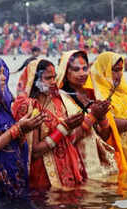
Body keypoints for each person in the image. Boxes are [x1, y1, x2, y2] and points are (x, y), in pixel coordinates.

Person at [12, 58, 87, 191]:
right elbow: (34, 151)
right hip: (44, 176)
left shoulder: (56, 101)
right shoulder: (29, 106)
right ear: (34, 80)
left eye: (54, 77)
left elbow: (69, 139)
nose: (53, 82)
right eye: (48, 78)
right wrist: (64, 128)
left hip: (67, 170)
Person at [56, 50, 127, 177]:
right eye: (76, 69)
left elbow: (104, 136)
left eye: (85, 68)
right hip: (77, 167)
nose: (82, 73)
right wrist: (92, 116)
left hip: (99, 167)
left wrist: (102, 118)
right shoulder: (60, 99)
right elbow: (66, 141)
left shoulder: (91, 95)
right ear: (65, 72)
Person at [0, 58, 44, 198]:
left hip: (15, 178)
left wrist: (25, 128)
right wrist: (18, 129)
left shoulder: (4, 104)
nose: (4, 77)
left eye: (4, 73)